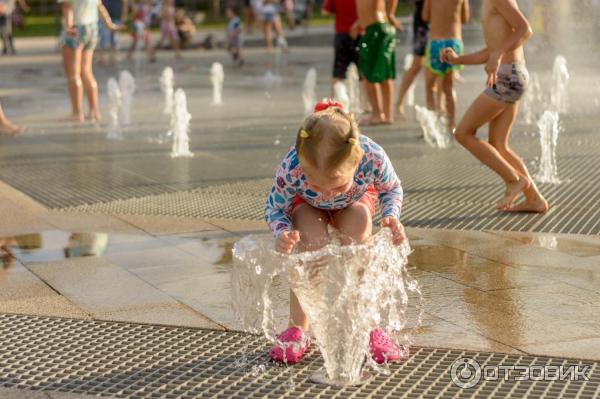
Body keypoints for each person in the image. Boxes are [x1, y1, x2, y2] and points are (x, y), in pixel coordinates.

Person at [264, 100, 406, 364]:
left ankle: (370, 326)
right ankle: (297, 329)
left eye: (336, 186)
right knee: (311, 247)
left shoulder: (372, 155)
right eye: (315, 183)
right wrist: (282, 232)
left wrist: (391, 216)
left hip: (355, 202)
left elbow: (392, 189)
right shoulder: (292, 167)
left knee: (359, 241)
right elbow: (274, 208)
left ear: (357, 162)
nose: (326, 193)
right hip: (305, 206)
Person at [441, 0, 548, 213]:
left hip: (508, 76)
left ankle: (513, 180)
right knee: (499, 144)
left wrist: (498, 55)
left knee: (463, 133)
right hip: (512, 75)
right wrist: (457, 59)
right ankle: (534, 199)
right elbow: (491, 50)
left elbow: (525, 29)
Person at [59, 0, 121, 122]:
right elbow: (100, 7)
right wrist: (109, 25)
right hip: (92, 29)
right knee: (87, 71)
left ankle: (77, 113)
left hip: (76, 28)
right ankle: (94, 111)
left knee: (73, 74)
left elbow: (67, 7)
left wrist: (69, 27)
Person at [422, 0, 469, 130]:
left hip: (436, 41)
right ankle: (451, 125)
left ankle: (432, 127)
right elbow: (465, 18)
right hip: (454, 41)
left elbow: (425, 16)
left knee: (430, 86)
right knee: (448, 87)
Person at [356, 0, 402, 125]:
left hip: (375, 29)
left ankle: (377, 115)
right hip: (380, 27)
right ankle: (387, 115)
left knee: (368, 73)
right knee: (385, 73)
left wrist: (390, 13)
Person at [395, 0, 428, 119]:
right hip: (424, 26)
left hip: (441, 27)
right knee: (416, 65)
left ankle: (441, 111)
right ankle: (399, 102)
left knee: (439, 72)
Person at [321, 0, 361, 96]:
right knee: (363, 71)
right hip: (359, 34)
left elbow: (325, 12)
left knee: (339, 70)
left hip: (342, 34)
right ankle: (368, 105)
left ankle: (333, 101)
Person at [97, 0, 128, 65]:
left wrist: (124, 16)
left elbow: (125, 3)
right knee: (103, 38)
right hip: (104, 18)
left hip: (116, 17)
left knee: (114, 39)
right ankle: (101, 58)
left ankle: (112, 58)